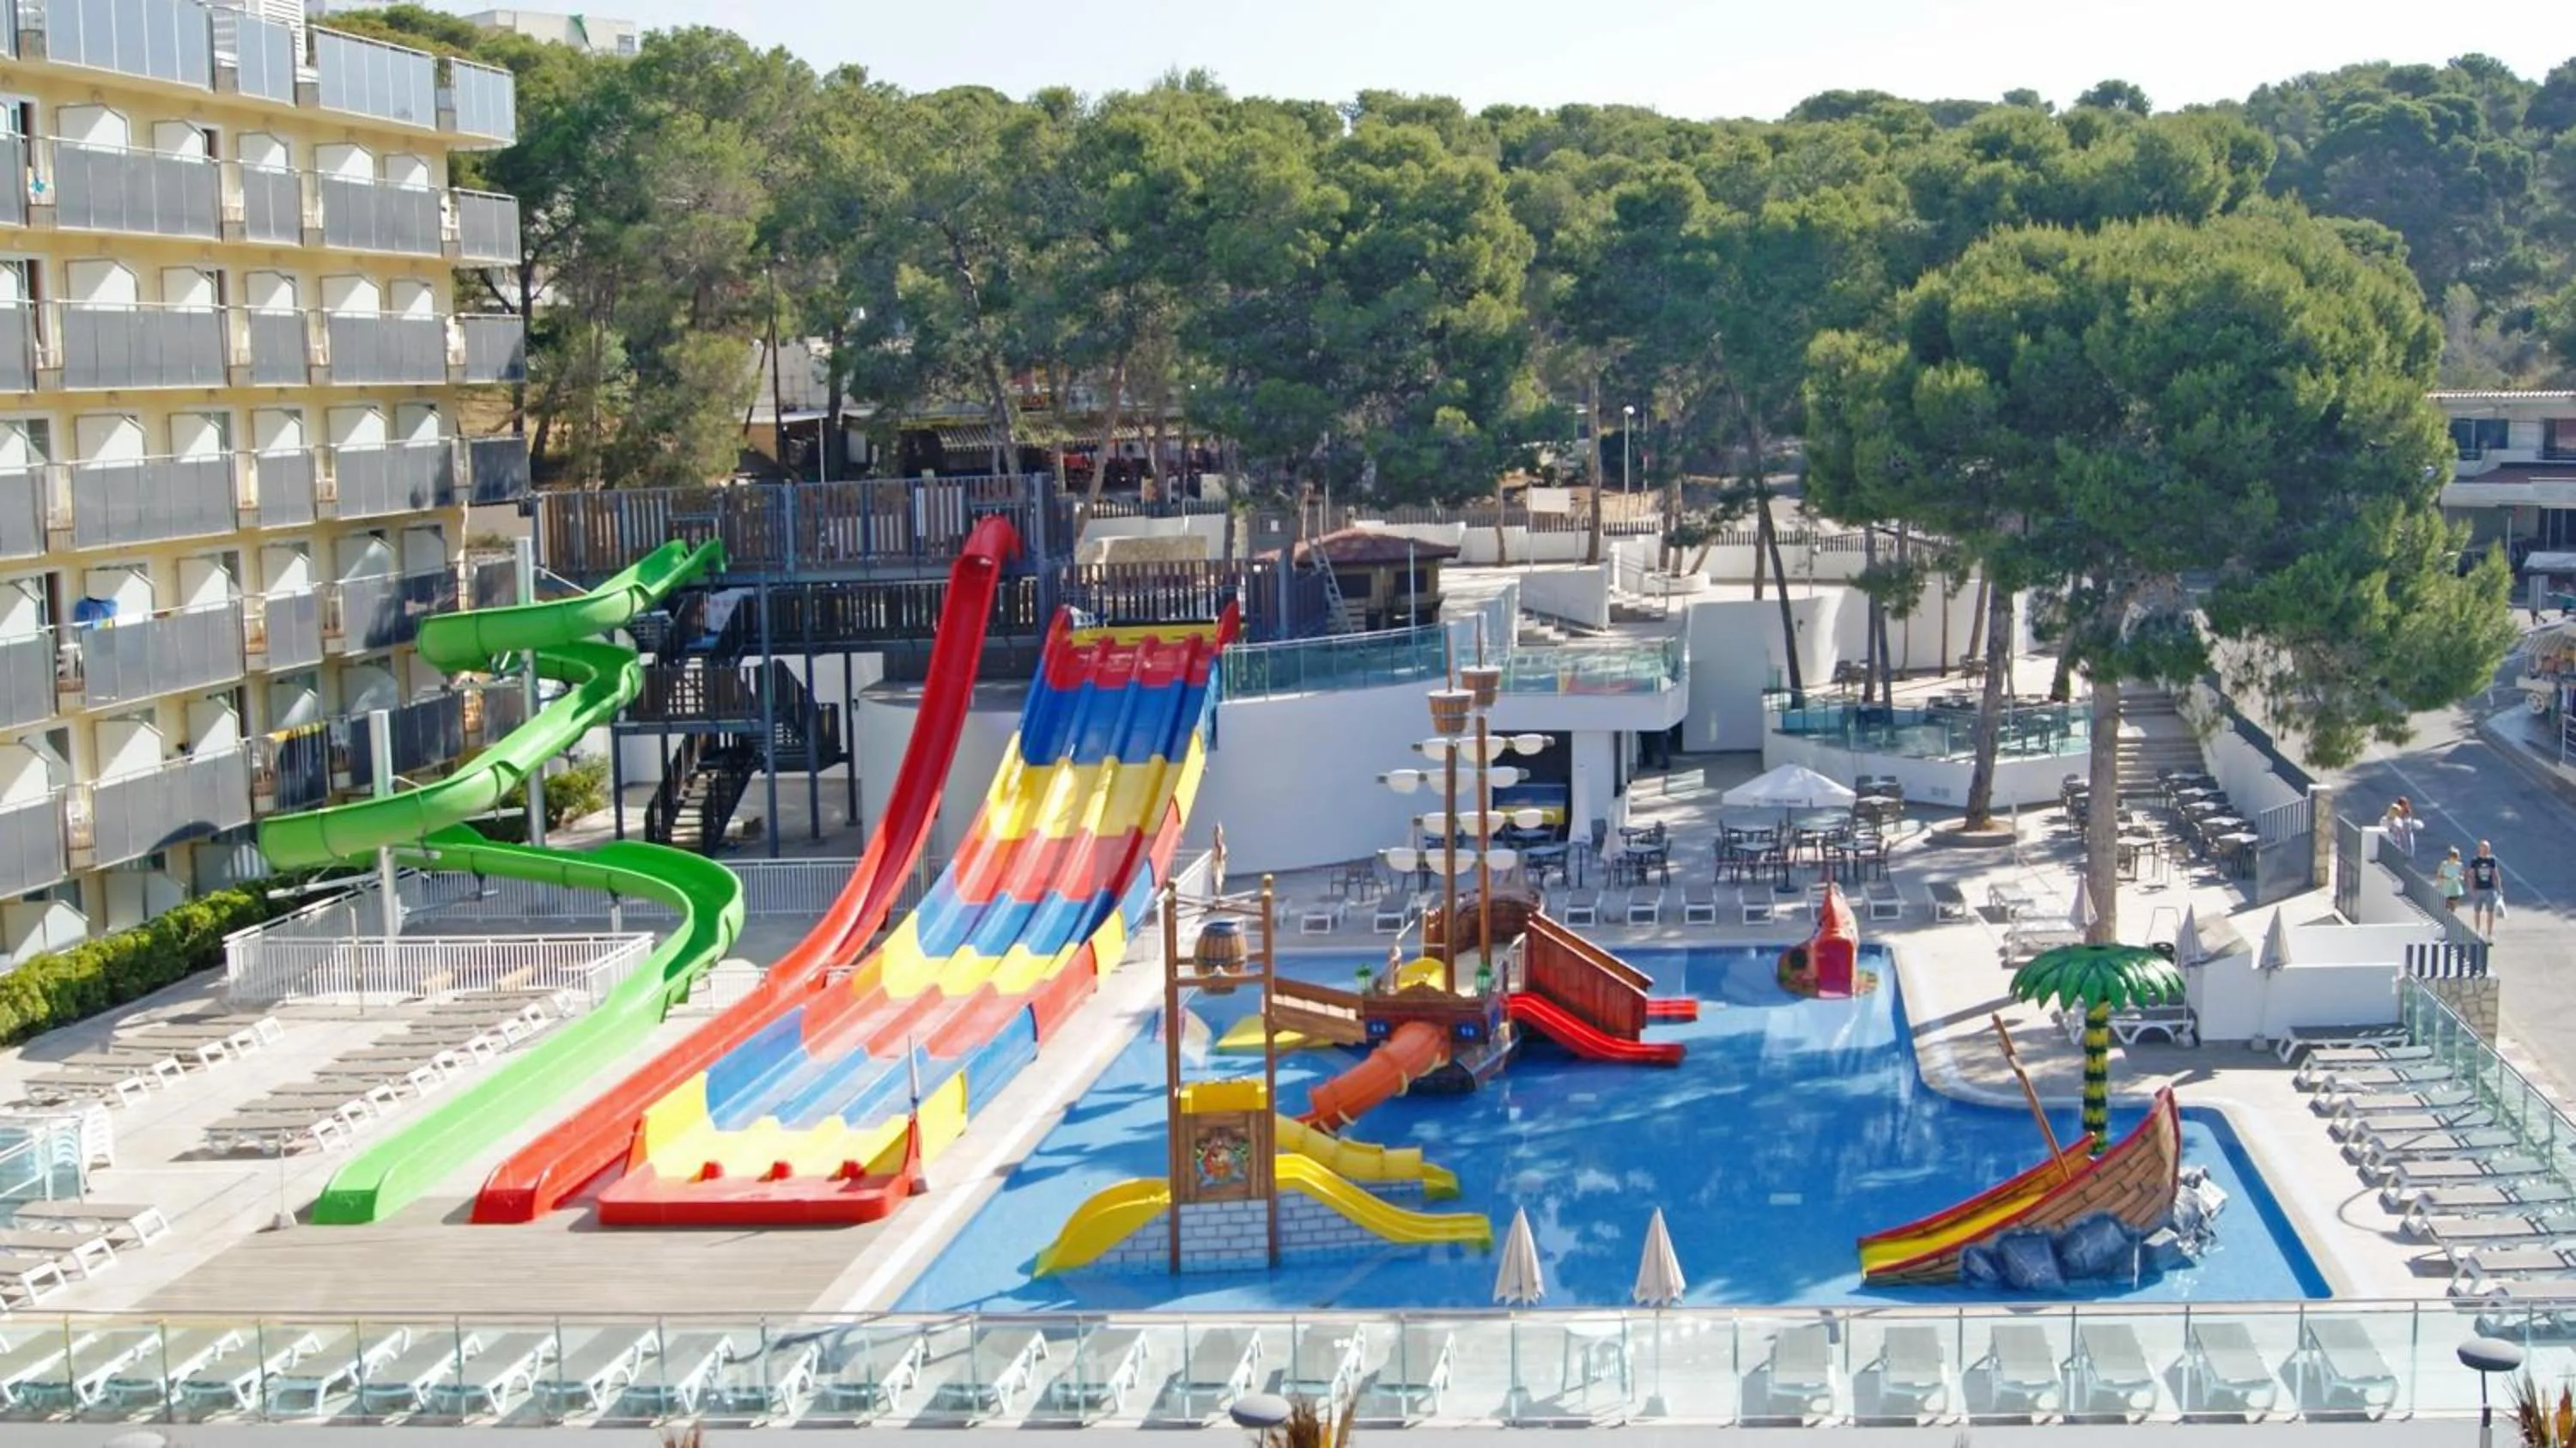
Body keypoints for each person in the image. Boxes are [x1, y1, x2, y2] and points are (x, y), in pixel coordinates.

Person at [2469, 840, 2504, 937]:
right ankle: (2477, 931)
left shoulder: (2492, 860)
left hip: (2490, 889)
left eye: (2487, 848)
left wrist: (2499, 887)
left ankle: (2489, 933)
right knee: (2477, 911)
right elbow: (2471, 875)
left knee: (2490, 912)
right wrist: (2471, 888)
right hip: (2478, 889)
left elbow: (2495, 874)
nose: (2485, 849)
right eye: (2483, 847)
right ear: (2479, 848)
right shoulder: (2475, 860)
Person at [2437, 847, 2467, 915]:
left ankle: (2451, 917)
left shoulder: (2460, 865)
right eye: (2453, 858)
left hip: (2455, 888)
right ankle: (2446, 917)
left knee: (2453, 905)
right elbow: (2439, 875)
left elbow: (2462, 875)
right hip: (2446, 888)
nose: (2454, 860)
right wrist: (2445, 879)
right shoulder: (2444, 864)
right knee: (2446, 905)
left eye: (2456, 858)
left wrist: (2460, 878)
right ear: (2449, 857)